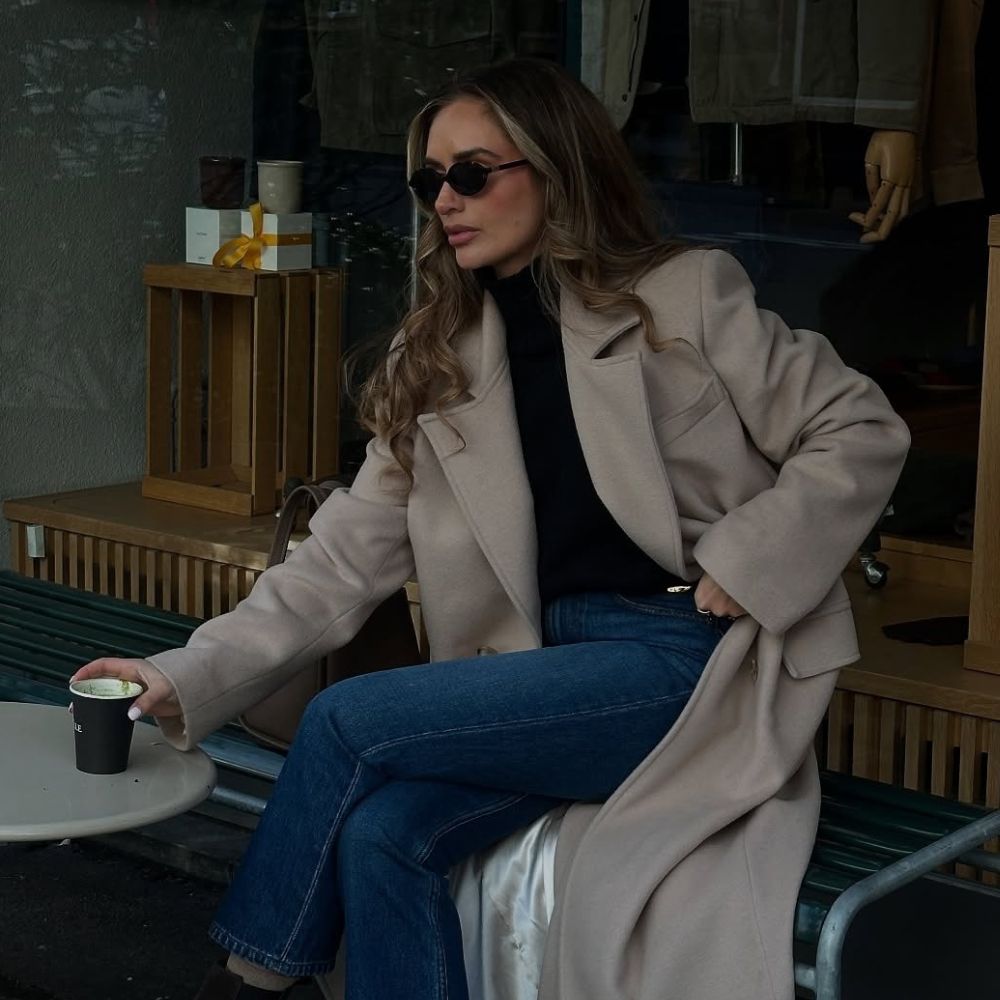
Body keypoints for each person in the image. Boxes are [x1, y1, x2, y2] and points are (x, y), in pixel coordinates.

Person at [71, 58, 910, 1000]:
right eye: (432, 180)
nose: (446, 201)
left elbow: (859, 428)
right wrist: (184, 671)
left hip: (691, 659)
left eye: (473, 172)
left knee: (346, 718)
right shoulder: (437, 356)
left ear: (556, 169)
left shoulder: (686, 296)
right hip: (539, 677)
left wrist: (753, 558)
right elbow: (342, 559)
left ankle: (246, 985)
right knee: (386, 833)